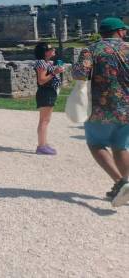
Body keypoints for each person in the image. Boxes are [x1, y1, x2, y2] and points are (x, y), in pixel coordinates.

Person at [72, 17, 129, 207]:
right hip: (127, 108)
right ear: (119, 32)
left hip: (100, 107)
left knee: (96, 144)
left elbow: (80, 74)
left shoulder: (92, 49)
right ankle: (126, 185)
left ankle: (121, 182)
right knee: (120, 147)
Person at [33, 42, 64, 155]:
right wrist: (54, 73)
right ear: (45, 52)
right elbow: (41, 80)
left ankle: (44, 144)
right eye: (51, 48)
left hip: (49, 92)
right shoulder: (41, 62)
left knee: (46, 120)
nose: (54, 49)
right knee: (44, 121)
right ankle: (41, 146)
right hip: (46, 92)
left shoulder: (46, 62)